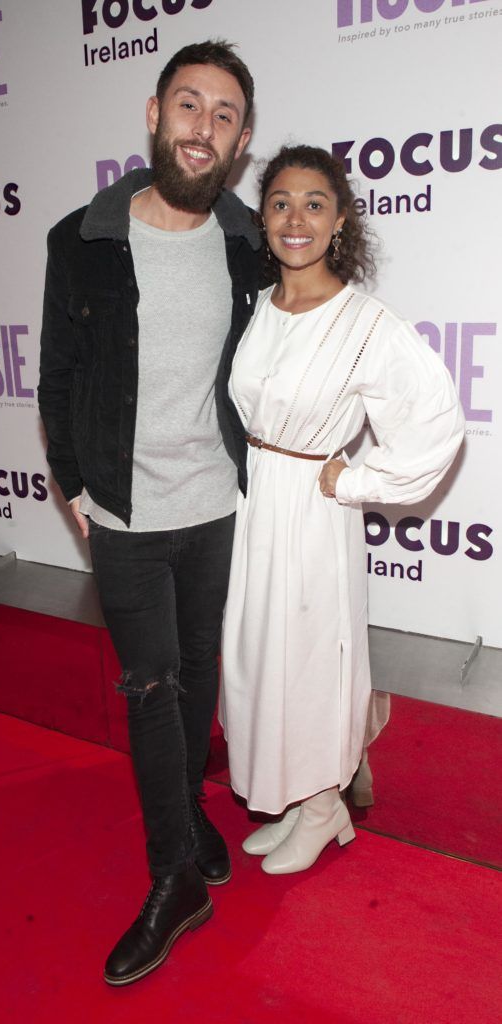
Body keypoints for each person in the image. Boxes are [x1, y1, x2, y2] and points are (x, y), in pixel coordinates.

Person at [38, 40, 261, 985]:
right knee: (150, 690)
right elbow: (57, 378)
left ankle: (190, 808)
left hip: (218, 506)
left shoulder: (252, 243)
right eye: (188, 105)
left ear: (241, 139)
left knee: (199, 674)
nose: (202, 127)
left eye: (222, 115)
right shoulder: (80, 239)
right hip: (125, 513)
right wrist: (77, 488)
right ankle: (176, 878)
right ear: (153, 111)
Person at [220, 145, 464, 874]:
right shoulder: (258, 305)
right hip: (254, 503)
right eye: (281, 203)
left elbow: (437, 426)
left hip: (312, 516)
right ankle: (294, 797)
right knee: (262, 657)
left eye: (314, 204)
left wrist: (353, 482)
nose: (296, 219)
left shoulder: (367, 325)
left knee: (310, 662)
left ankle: (325, 807)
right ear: (262, 217)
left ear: (340, 219)